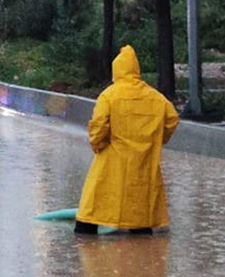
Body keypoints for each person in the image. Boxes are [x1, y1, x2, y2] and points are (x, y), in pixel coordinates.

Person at [75, 45, 179, 235]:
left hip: (111, 162)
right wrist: (157, 139)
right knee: (141, 218)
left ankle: (87, 252)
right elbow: (172, 118)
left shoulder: (109, 95)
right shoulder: (156, 97)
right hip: (144, 164)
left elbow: (99, 124)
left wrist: (98, 144)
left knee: (90, 215)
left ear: (117, 71)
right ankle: (144, 260)